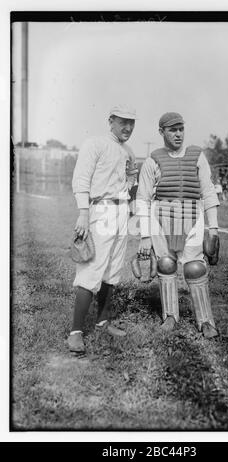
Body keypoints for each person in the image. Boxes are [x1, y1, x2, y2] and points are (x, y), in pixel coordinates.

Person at [134, 112, 220, 338]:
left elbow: (208, 192)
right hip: (162, 219)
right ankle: (170, 315)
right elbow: (142, 198)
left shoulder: (197, 156)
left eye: (181, 128)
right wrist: (144, 235)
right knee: (165, 264)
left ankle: (205, 321)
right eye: (172, 130)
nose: (178, 134)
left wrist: (214, 228)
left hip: (192, 217)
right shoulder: (153, 160)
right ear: (161, 132)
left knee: (195, 267)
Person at [67, 104, 138, 355]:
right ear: (110, 120)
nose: (128, 127)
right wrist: (83, 213)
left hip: (121, 211)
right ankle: (75, 332)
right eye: (122, 122)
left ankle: (102, 321)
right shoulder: (95, 143)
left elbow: (129, 185)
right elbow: (81, 179)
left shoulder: (128, 150)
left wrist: (132, 179)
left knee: (113, 269)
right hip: (100, 209)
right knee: (91, 269)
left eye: (131, 122)